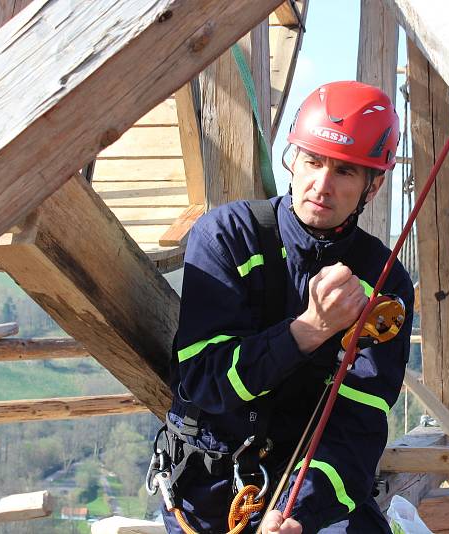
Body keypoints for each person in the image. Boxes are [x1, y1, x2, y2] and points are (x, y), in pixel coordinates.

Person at [162, 80, 413, 534]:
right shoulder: (227, 238)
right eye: (313, 161)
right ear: (292, 160)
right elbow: (204, 381)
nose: (322, 185)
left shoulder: (383, 281)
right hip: (212, 490)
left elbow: (359, 420)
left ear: (372, 187)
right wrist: (308, 331)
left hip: (309, 490)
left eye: (345, 172)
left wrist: (299, 512)